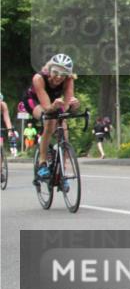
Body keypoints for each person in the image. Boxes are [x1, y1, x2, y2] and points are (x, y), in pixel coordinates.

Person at [21, 54, 79, 189]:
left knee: (64, 129)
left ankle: (62, 172)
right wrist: (53, 108)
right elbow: (47, 108)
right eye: (56, 72)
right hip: (34, 101)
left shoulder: (69, 80)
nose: (59, 77)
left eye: (63, 74)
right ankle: (42, 163)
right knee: (50, 122)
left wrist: (74, 106)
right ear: (49, 69)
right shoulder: (39, 78)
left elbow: (66, 105)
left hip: (54, 101)